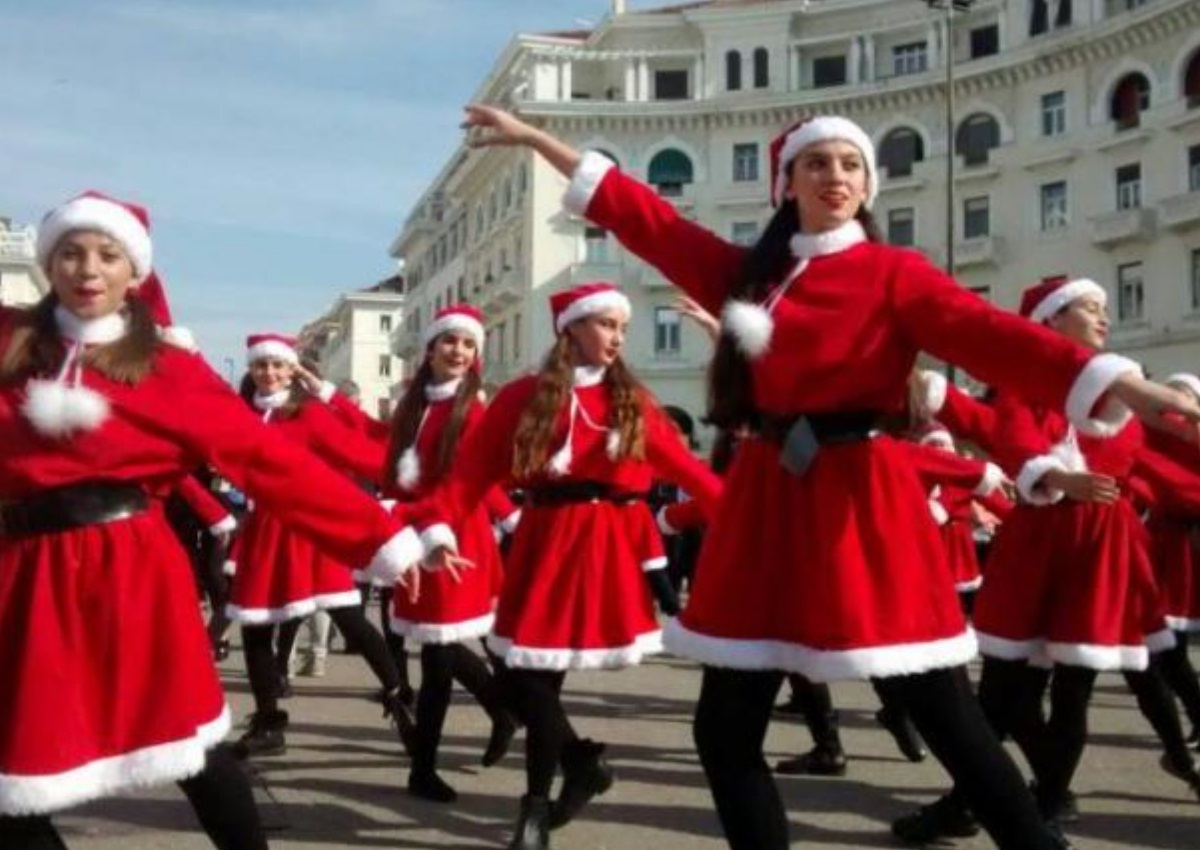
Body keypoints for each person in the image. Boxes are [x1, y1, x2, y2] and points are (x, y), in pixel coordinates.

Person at [461, 104, 1200, 850]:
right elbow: (646, 220)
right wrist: (535, 142)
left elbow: (993, 338)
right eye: (818, 163)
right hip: (770, 501)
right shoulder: (752, 277)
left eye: (850, 164)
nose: (835, 176)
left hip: (863, 499)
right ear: (788, 185)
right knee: (723, 731)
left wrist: (1129, 388)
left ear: (867, 185)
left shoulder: (893, 273)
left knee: (946, 714)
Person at [0, 191, 420, 850]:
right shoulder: (9, 342)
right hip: (22, 571)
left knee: (190, 746)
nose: (88, 269)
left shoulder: (169, 369)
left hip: (127, 569)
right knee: (14, 763)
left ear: (132, 273)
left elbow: (272, 463)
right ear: (48, 266)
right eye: (71, 254)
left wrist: (385, 540)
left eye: (107, 255)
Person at [412, 282, 722, 849]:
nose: (617, 338)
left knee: (533, 680)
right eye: (606, 324)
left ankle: (538, 808)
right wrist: (436, 530)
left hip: (601, 545)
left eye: (621, 329)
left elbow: (691, 471)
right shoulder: (523, 396)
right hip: (541, 540)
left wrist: (755, 520)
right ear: (572, 327)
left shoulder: (632, 400)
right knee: (528, 678)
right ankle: (575, 768)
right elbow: (470, 475)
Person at [227, 335, 418, 758]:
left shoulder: (310, 415)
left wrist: (409, 481)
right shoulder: (239, 416)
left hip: (312, 528)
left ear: (293, 371)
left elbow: (363, 455)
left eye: (278, 366)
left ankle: (399, 694)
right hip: (263, 531)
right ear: (251, 370)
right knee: (256, 626)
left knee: (349, 617)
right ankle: (268, 721)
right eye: (262, 366)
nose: (269, 373)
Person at [384, 304, 516, 803]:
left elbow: (476, 482)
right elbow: (390, 466)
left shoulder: (473, 410)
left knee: (438, 658)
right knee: (438, 647)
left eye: (467, 344)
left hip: (458, 539)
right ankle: (501, 710)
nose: (457, 351)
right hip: (418, 533)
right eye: (449, 342)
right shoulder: (411, 408)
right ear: (430, 350)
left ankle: (423, 768)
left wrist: (509, 518)